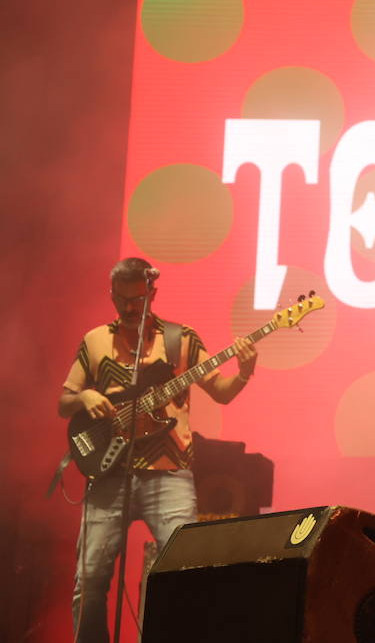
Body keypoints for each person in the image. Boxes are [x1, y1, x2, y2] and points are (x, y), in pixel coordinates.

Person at [59, 257, 258, 643]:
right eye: (122, 300)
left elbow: (220, 393)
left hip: (169, 473)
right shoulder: (95, 340)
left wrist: (245, 373)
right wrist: (84, 396)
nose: (130, 308)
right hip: (108, 473)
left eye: (138, 300)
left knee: (188, 570)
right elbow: (62, 403)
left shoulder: (180, 339)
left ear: (152, 293)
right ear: (112, 295)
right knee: (90, 579)